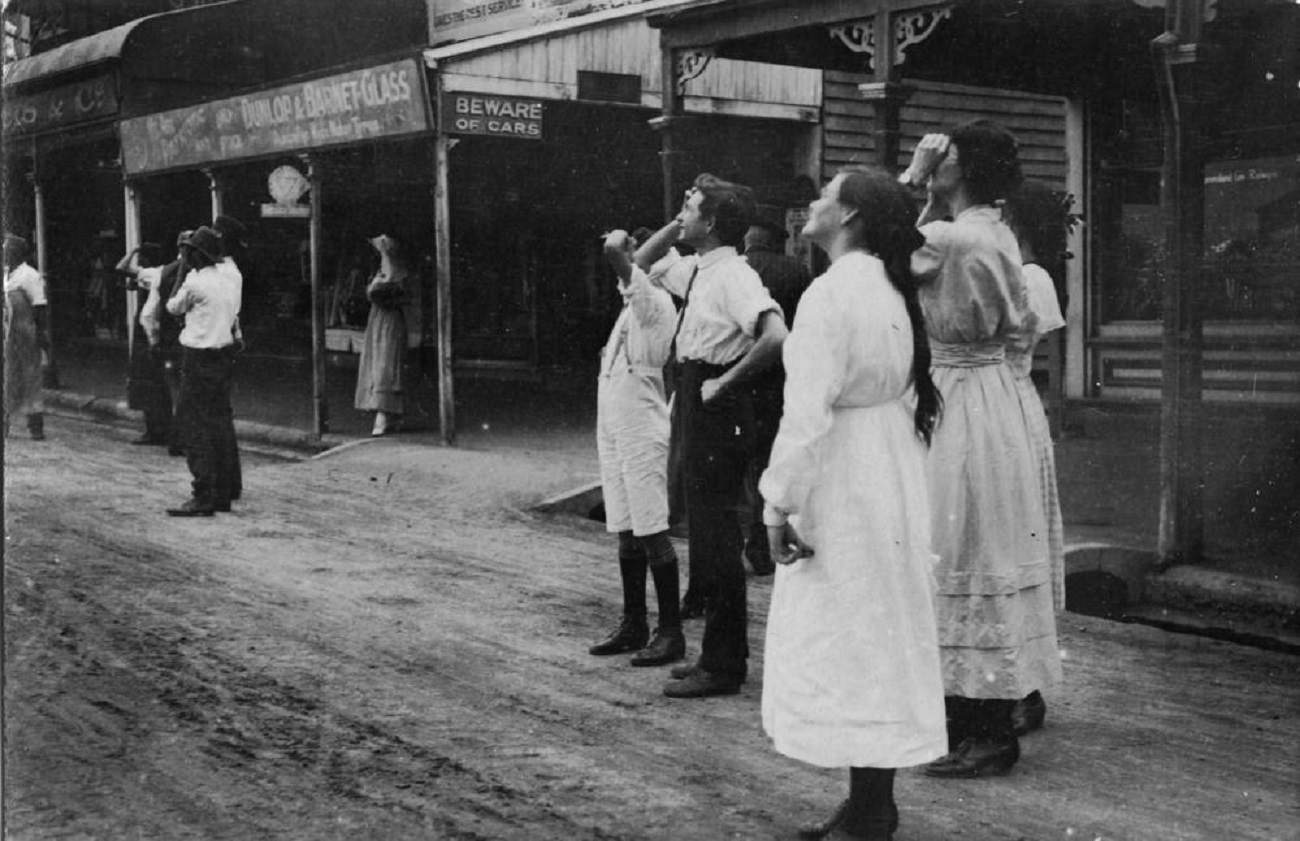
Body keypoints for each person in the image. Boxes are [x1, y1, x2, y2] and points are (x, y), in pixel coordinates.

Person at [760, 166, 946, 841]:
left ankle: (872, 807)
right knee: (876, 630)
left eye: (826, 197)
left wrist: (779, 502)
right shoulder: (889, 289)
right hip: (885, 468)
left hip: (845, 472)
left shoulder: (832, 293)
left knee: (854, 628)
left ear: (851, 219)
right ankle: (869, 800)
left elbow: (805, 412)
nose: (811, 203)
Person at [898, 120, 1063, 777]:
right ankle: (974, 718)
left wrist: (914, 180)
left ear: (958, 169)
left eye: (947, 157)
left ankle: (988, 730)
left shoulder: (950, 236)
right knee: (971, 544)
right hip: (992, 393)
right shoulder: (991, 231)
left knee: (956, 542)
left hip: (960, 394)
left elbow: (869, 261)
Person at [634, 173, 788, 699]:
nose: (682, 212)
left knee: (719, 535)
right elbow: (642, 263)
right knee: (706, 530)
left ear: (715, 222)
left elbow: (775, 334)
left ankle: (723, 665)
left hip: (717, 401)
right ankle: (717, 656)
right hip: (697, 393)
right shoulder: (702, 268)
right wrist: (680, 219)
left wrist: (724, 381)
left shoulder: (734, 276)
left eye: (692, 207)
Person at [586, 228, 686, 668]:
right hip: (614, 418)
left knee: (650, 527)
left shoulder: (654, 303)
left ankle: (670, 631)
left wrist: (629, 245)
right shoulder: (634, 307)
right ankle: (634, 623)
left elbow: (617, 254)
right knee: (626, 524)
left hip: (641, 424)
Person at [1002, 180, 1073, 737]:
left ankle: (1027, 686)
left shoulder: (1031, 276)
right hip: (997, 403)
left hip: (1011, 406)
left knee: (1017, 539)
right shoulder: (1012, 271)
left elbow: (1029, 354)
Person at [741, 206, 812, 577]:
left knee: (734, 464)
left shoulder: (735, 269)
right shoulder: (797, 272)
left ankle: (739, 542)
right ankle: (761, 543)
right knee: (766, 460)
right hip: (778, 382)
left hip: (735, 379)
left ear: (751, 237)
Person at [165, 227, 241, 517]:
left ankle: (203, 493)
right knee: (218, 425)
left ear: (196, 255)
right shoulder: (229, 281)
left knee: (191, 425)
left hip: (198, 359)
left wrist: (183, 269)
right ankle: (221, 494)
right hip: (223, 357)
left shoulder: (194, 283)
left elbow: (172, 307)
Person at [116, 243, 173, 445]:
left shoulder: (154, 274)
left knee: (149, 384)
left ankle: (156, 431)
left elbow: (121, 268)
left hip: (149, 334)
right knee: (151, 385)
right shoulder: (158, 275)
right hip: (148, 333)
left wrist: (133, 251)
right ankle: (157, 430)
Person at [354, 233, 410, 437]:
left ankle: (384, 415)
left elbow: (390, 294)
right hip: (378, 320)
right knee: (378, 362)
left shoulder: (395, 275)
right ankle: (392, 415)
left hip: (389, 321)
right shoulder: (381, 272)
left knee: (386, 365)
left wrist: (376, 289)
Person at [212, 215, 247, 501]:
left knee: (216, 417)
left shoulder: (225, 273)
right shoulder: (225, 270)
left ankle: (224, 483)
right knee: (220, 416)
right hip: (224, 344)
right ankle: (229, 482)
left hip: (217, 347)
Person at [3, 234, 48, 441]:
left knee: (30, 376)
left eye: (8, 248)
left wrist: (41, 333)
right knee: (8, 376)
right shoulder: (6, 275)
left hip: (26, 331)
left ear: (18, 252)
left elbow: (39, 306)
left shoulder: (29, 275)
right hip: (7, 333)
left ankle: (35, 424)